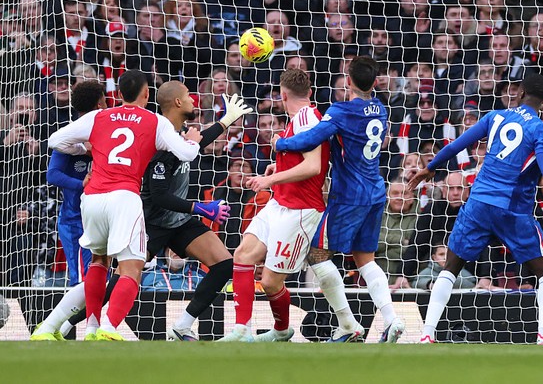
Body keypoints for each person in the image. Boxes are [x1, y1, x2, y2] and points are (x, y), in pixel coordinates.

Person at [408, 73, 543, 345]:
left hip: (478, 203)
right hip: (512, 210)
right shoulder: (541, 129)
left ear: (520, 93)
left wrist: (430, 168)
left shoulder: (495, 116)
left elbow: (455, 145)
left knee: (450, 268)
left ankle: (427, 333)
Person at [45, 71, 202, 341]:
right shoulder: (155, 121)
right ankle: (108, 329)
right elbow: (186, 153)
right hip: (124, 197)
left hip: (92, 198)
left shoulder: (98, 117)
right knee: (132, 267)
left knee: (99, 261)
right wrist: (194, 142)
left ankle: (92, 328)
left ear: (117, 94)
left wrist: (86, 149)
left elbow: (54, 141)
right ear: (147, 95)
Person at [273, 56, 405, 343]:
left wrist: (279, 143)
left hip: (349, 196)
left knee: (317, 254)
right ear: (375, 81)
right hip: (375, 192)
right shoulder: (380, 109)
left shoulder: (341, 111)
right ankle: (392, 319)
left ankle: (348, 324)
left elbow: (308, 140)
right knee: (365, 260)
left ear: (348, 81)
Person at [220, 68, 330, 342]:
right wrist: (277, 166)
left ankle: (281, 330)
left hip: (301, 210)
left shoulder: (305, 118)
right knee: (243, 255)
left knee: (270, 282)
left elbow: (313, 166)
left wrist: (269, 180)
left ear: (282, 94)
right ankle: (240, 330)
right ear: (310, 91)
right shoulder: (301, 117)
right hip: (281, 202)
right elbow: (302, 160)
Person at [141, 81, 252, 341]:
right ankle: (68, 323)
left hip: (178, 221)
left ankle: (181, 326)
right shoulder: (161, 136)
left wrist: (227, 120)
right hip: (152, 222)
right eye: (189, 97)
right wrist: (200, 207)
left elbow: (198, 144)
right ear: (178, 103)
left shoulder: (179, 134)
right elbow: (158, 195)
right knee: (125, 278)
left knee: (224, 265)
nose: (194, 101)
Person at [46, 81, 106, 287]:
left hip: (105, 218)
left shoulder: (110, 134)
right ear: (100, 105)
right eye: (104, 101)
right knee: (83, 281)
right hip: (76, 221)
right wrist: (82, 183)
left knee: (103, 278)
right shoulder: (69, 137)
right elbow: (52, 175)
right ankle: (72, 320)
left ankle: (98, 319)